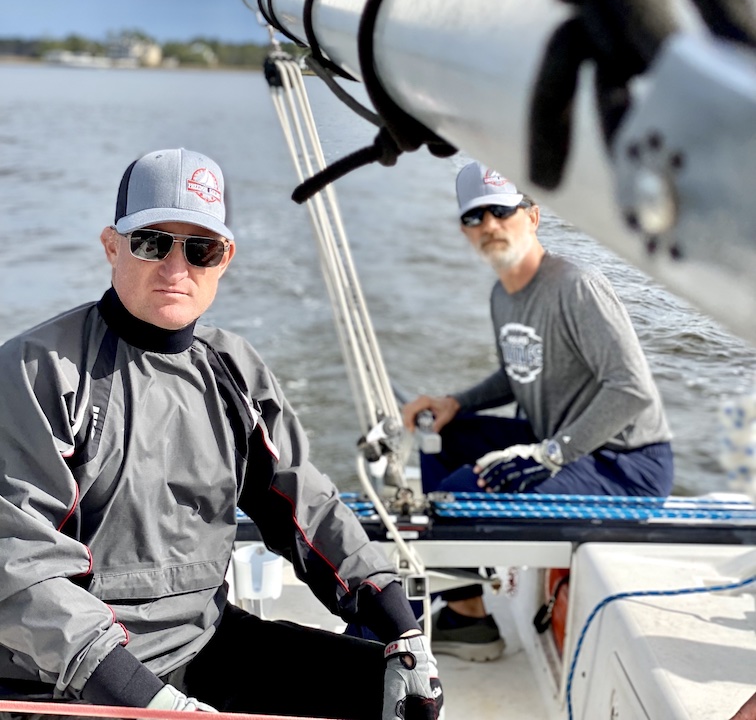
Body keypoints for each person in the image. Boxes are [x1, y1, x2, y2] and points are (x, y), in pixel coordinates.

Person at [0, 147, 442, 720]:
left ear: (224, 258)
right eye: (152, 241)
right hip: (72, 678)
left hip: (203, 642)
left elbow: (302, 502)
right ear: (112, 246)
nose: (176, 269)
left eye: (200, 249)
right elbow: (19, 564)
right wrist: (147, 700)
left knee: (394, 698)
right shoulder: (38, 373)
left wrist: (398, 624)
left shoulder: (235, 368)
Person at [403, 161, 674, 662]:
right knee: (442, 436)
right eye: (474, 217)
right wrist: (454, 403)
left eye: (501, 211)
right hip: (557, 441)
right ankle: (469, 618)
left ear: (533, 215)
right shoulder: (502, 295)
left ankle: (454, 606)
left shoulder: (575, 287)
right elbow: (516, 373)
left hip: (626, 464)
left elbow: (631, 389)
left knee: (461, 494)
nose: (488, 226)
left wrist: (551, 454)